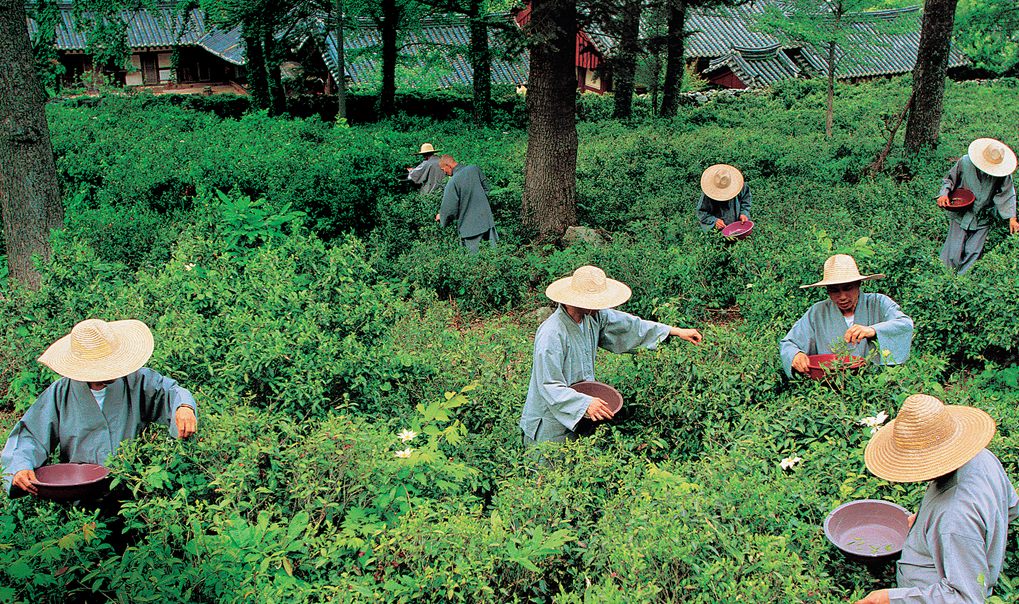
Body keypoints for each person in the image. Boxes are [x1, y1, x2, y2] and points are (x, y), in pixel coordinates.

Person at [852, 393, 1018, 604]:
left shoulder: (954, 516)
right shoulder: (982, 457)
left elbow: (966, 598)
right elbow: (1011, 507)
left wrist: (888, 598)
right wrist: (930, 524)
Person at [2, 318, 198, 496]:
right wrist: (20, 466)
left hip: (132, 491)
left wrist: (184, 407)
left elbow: (170, 392)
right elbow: (32, 434)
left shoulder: (137, 380)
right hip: (78, 494)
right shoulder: (61, 392)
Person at [520, 266, 703, 446]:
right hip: (550, 423)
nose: (600, 306)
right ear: (576, 300)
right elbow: (549, 386)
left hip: (579, 416)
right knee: (548, 470)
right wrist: (585, 404)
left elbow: (629, 327)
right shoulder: (552, 334)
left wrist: (673, 331)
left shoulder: (592, 317)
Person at [780, 254, 913, 379]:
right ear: (827, 290)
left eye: (847, 288)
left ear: (858, 284)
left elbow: (904, 324)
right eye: (834, 290)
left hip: (875, 385)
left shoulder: (878, 303)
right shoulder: (818, 312)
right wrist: (796, 356)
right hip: (829, 386)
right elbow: (789, 343)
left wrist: (873, 330)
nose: (842, 297)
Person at [936, 138, 1018, 274]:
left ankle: (963, 281)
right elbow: (949, 179)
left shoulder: (1002, 173)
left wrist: (1012, 217)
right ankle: (945, 279)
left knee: (974, 252)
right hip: (961, 212)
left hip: (983, 216)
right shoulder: (965, 162)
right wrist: (944, 194)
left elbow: (1007, 193)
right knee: (953, 251)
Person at [435, 154, 498, 254]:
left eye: (443, 169)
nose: (444, 173)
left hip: (469, 229)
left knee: (471, 263)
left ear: (448, 165)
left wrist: (441, 217)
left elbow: (449, 210)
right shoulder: (475, 169)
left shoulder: (452, 182)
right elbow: (486, 189)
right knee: (493, 256)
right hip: (486, 220)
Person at [696, 164, 751, 233]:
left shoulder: (741, 187)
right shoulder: (708, 194)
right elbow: (701, 213)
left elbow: (745, 201)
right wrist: (715, 221)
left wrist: (743, 213)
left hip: (738, 225)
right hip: (717, 230)